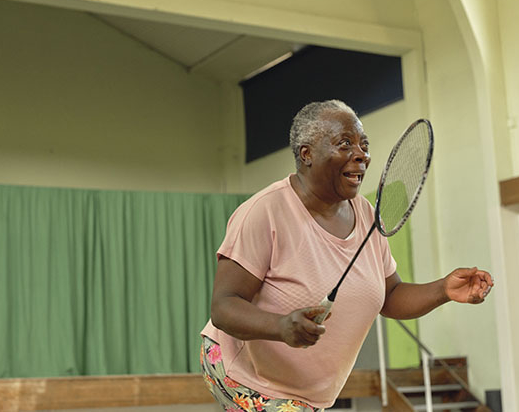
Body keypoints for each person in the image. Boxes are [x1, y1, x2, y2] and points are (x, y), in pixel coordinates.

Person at [200, 99, 494, 412]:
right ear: (307, 154)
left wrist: (443, 289)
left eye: (364, 145)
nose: (361, 154)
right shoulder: (264, 213)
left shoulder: (367, 214)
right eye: (345, 144)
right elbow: (224, 306)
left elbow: (390, 295)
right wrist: (281, 326)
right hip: (244, 374)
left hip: (310, 396)